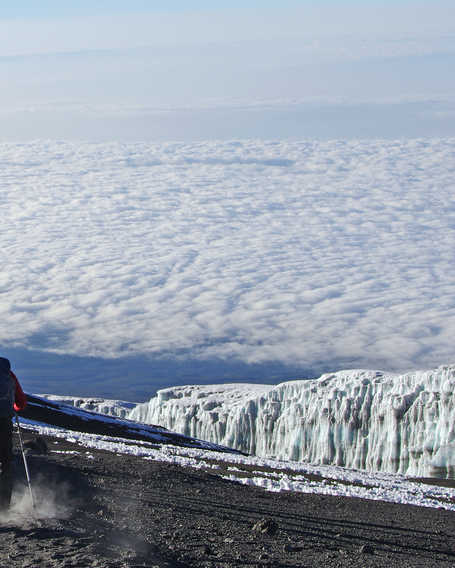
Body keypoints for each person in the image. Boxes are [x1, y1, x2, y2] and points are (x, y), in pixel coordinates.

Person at [0, 357, 27, 510]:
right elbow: (21, 402)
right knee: (5, 463)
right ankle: (3, 507)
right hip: (3, 423)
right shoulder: (9, 374)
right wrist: (13, 407)